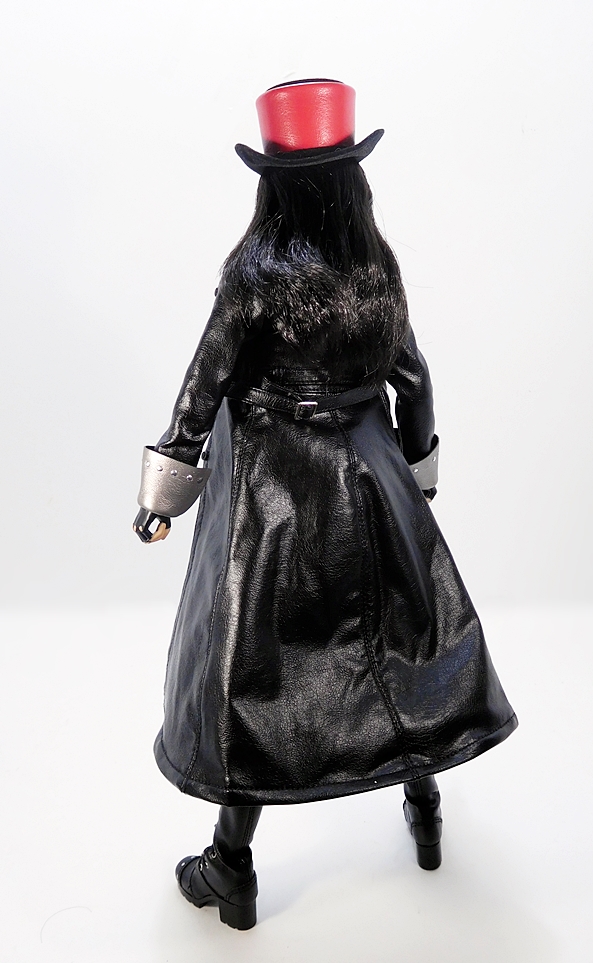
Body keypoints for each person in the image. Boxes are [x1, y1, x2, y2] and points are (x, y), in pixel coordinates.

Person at [133, 79, 518, 931]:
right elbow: (412, 380)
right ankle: (425, 811)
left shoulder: (252, 277)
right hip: (374, 484)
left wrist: (166, 489)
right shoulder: (375, 271)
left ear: (273, 187)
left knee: (255, 675)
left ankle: (230, 865)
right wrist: (415, 472)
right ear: (352, 182)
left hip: (274, 505)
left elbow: (204, 383)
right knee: (401, 643)